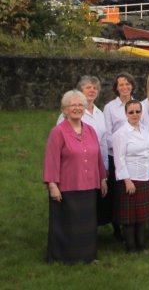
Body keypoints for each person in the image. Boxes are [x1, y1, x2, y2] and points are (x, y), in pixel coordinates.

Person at [44, 90, 107, 263]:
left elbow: (98, 157)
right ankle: (64, 257)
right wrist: (52, 185)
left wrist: (102, 178)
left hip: (89, 186)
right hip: (67, 187)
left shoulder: (91, 131)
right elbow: (51, 160)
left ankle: (87, 256)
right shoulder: (58, 132)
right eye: (73, 105)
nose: (77, 108)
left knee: (86, 224)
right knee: (67, 224)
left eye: (80, 105)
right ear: (64, 109)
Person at [55, 76, 111, 227]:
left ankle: (90, 235)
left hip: (96, 164)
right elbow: (60, 144)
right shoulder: (69, 114)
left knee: (94, 205)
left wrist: (104, 169)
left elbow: (104, 143)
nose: (92, 90)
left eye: (95, 88)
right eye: (88, 87)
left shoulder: (100, 114)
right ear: (81, 90)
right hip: (75, 166)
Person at [112, 99, 149, 252]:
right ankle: (131, 247)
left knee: (142, 216)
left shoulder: (145, 130)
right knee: (130, 218)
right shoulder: (121, 133)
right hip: (131, 178)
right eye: (131, 112)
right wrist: (127, 180)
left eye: (137, 111)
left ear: (141, 112)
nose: (134, 114)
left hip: (146, 176)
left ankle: (142, 244)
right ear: (126, 113)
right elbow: (118, 159)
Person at [103, 72, 137, 241]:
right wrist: (120, 148)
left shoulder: (137, 105)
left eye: (127, 84)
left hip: (135, 157)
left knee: (133, 191)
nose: (125, 87)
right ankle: (118, 227)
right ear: (116, 88)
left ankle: (134, 223)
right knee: (118, 193)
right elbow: (107, 134)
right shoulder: (110, 107)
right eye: (121, 85)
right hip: (116, 155)